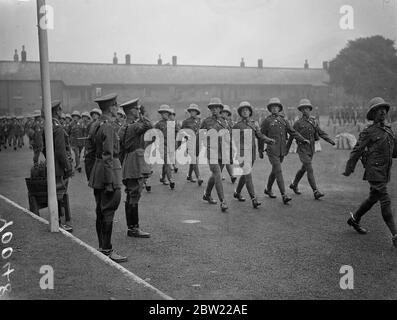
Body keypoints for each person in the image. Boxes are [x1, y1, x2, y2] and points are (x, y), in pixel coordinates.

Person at [343, 97, 397, 247]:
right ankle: (395, 234)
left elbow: (394, 152)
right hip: (374, 171)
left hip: (384, 171)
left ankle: (355, 219)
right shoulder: (369, 132)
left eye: (384, 109)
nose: (382, 112)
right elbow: (357, 150)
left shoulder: (388, 130)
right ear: (372, 114)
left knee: (373, 197)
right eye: (378, 110)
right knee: (385, 199)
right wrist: (349, 168)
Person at [88, 93, 127, 263]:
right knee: (109, 210)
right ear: (110, 107)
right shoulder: (109, 126)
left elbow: (89, 153)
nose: (117, 107)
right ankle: (107, 249)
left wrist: (93, 176)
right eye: (115, 105)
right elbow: (109, 155)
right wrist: (110, 181)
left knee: (100, 210)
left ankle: (101, 246)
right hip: (109, 172)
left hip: (98, 172)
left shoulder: (96, 124)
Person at [259, 97, 309, 205]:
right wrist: (260, 150)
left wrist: (302, 139)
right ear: (270, 109)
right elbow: (261, 135)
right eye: (272, 107)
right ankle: (284, 195)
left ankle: (268, 189)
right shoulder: (267, 121)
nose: (275, 109)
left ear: (279, 108)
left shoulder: (284, 120)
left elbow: (293, 132)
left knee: (275, 170)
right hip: (272, 150)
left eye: (276, 107)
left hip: (282, 150)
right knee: (278, 170)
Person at [287, 99, 336, 199]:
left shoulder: (313, 121)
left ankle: (294, 184)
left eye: (307, 108)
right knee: (309, 168)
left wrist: (330, 140)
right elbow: (292, 136)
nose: (305, 110)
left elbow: (320, 132)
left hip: (311, 149)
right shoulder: (298, 123)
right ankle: (315, 191)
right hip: (302, 149)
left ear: (310, 110)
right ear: (301, 111)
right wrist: (286, 149)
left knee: (304, 168)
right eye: (303, 109)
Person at [119, 98, 152, 238]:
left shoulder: (123, 127)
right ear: (132, 111)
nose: (138, 111)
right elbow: (149, 125)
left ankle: (132, 227)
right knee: (134, 194)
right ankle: (134, 228)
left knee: (130, 194)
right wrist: (143, 115)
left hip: (128, 161)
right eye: (136, 109)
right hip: (135, 162)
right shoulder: (135, 126)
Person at [233, 101, 275, 208]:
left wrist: (268, 140)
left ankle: (237, 192)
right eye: (243, 110)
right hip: (242, 154)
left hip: (252, 153)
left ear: (250, 112)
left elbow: (260, 135)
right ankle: (253, 198)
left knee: (246, 174)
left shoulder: (254, 124)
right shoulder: (237, 126)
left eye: (247, 110)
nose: (245, 112)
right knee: (248, 174)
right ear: (240, 113)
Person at [43, 100, 74, 232]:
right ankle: (59, 223)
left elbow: (45, 149)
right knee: (59, 193)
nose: (62, 112)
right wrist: (67, 167)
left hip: (51, 164)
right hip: (59, 166)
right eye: (60, 109)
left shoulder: (48, 125)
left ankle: (58, 221)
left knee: (56, 192)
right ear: (57, 111)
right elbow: (61, 151)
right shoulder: (58, 127)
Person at [200, 97, 230, 212]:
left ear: (220, 109)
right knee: (217, 174)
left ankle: (207, 194)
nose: (214, 110)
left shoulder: (224, 121)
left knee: (215, 175)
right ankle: (223, 201)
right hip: (212, 151)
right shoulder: (206, 121)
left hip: (222, 152)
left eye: (216, 108)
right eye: (212, 108)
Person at [154, 104, 176, 189]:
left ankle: (163, 178)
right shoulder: (158, 124)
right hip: (162, 146)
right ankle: (171, 179)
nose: (164, 115)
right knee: (167, 162)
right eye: (163, 113)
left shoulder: (171, 123)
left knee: (165, 163)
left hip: (170, 145)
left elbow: (177, 132)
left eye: (166, 113)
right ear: (161, 114)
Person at [181, 103, 203, 185]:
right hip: (190, 143)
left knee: (193, 160)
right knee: (194, 160)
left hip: (198, 143)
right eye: (191, 111)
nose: (193, 113)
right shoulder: (186, 121)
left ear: (197, 112)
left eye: (194, 111)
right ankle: (199, 177)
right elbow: (181, 132)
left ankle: (189, 176)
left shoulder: (200, 121)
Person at [220, 105, 237, 184]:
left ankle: (231, 176)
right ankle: (230, 175)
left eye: (226, 113)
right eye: (223, 112)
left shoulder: (230, 122)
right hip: (220, 144)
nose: (224, 114)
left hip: (229, 143)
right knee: (224, 160)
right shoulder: (219, 121)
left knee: (228, 160)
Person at [84, 108, 102, 181]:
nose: (94, 116)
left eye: (96, 114)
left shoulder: (101, 124)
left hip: (98, 147)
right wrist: (86, 148)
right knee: (89, 164)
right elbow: (87, 137)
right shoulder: (89, 125)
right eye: (93, 114)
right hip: (91, 147)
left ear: (99, 115)